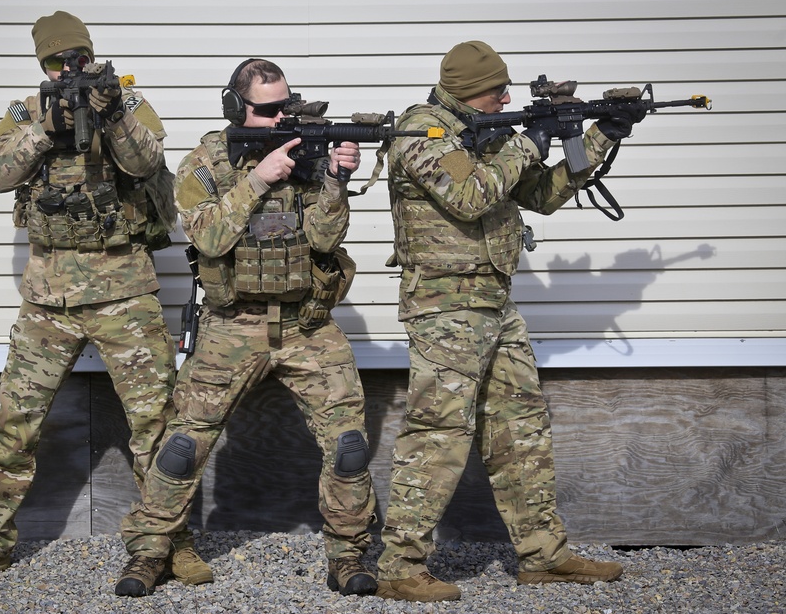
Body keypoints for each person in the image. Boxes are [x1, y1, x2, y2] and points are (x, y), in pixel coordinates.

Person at [0, 10, 209, 587]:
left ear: (93, 56)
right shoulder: (26, 111)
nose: (70, 68)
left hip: (123, 288)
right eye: (57, 60)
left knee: (156, 424)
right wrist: (46, 126)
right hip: (48, 295)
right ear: (42, 63)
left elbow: (147, 162)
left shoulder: (126, 104)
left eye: (78, 58)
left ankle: (173, 540)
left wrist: (110, 112)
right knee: (16, 422)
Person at [376, 40, 643, 602]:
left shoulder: (489, 130)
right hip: (445, 308)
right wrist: (527, 143)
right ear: (471, 90)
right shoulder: (423, 135)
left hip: (496, 303)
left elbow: (542, 194)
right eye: (499, 90)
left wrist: (600, 136)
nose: (508, 98)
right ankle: (401, 565)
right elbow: (472, 196)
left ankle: (542, 556)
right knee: (439, 433)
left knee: (521, 429)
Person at [114, 58, 377, 598]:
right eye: (268, 109)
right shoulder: (207, 161)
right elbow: (206, 237)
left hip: (307, 323)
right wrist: (257, 179)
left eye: (287, 103)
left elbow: (326, 240)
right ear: (237, 108)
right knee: (182, 446)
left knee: (349, 445)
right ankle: (148, 553)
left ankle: (348, 557)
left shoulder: (307, 150)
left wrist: (335, 178)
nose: (282, 116)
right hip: (233, 325)